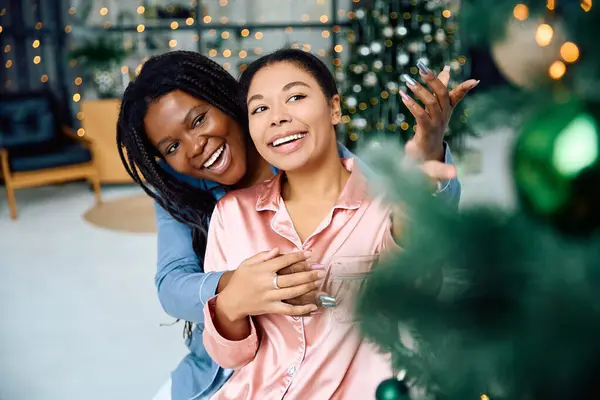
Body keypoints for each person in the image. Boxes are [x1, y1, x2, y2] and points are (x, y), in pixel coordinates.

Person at [116, 50, 478, 400]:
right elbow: (173, 286)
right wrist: (238, 291)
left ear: (229, 105)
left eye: (198, 120)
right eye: (172, 146)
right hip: (225, 373)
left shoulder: (325, 165)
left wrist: (428, 154)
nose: (194, 146)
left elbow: (409, 229)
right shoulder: (196, 197)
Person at [202, 48, 406, 399]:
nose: (278, 118)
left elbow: (419, 297)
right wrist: (232, 304)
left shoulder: (387, 205)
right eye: (260, 109)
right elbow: (230, 356)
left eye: (295, 97)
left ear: (334, 108)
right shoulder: (232, 214)